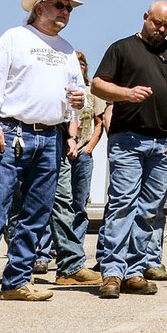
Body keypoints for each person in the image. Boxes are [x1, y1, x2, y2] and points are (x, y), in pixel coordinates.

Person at [0, 0, 89, 306]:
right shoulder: (14, 38)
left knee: (37, 212)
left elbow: (77, 96)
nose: (65, 11)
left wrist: (78, 101)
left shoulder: (66, 50)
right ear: (39, 7)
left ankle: (17, 279)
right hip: (10, 132)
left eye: (68, 7)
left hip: (50, 136)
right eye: (59, 4)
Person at [90, 1, 167, 298]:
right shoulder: (122, 49)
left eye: (166, 25)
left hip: (163, 145)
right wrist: (126, 93)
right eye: (156, 23)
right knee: (123, 204)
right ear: (145, 17)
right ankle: (112, 272)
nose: (160, 29)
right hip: (128, 141)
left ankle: (135, 272)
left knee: (149, 210)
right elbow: (97, 85)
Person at [49, 51, 107, 289]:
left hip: (79, 151)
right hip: (53, 145)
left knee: (73, 205)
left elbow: (97, 121)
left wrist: (85, 146)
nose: (79, 67)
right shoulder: (57, 85)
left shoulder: (90, 91)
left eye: (82, 63)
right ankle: (34, 260)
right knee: (41, 204)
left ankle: (72, 260)